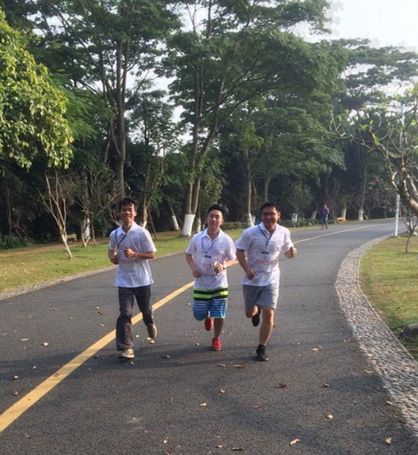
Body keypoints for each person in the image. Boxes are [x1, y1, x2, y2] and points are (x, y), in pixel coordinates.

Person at [235, 202, 297, 361]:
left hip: (271, 277)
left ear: (278, 215)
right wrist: (247, 269)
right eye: (265, 214)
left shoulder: (284, 232)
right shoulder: (250, 232)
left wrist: (291, 253)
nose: (269, 217)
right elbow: (239, 251)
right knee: (249, 313)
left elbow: (287, 253)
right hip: (252, 279)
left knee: (269, 314)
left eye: (272, 213)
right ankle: (256, 310)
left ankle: (261, 347)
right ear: (261, 216)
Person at [108, 197, 157, 360]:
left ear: (135, 213)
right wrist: (113, 258)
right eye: (124, 210)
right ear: (120, 213)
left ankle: (149, 322)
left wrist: (135, 254)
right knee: (125, 312)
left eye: (130, 209)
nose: (127, 212)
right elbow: (111, 251)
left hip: (142, 279)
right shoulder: (115, 234)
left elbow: (152, 254)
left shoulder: (142, 233)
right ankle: (126, 347)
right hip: (124, 280)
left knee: (145, 310)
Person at [185, 204, 236, 351]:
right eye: (211, 216)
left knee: (220, 313)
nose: (214, 219)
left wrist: (223, 266)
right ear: (206, 219)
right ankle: (208, 316)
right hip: (201, 282)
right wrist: (194, 268)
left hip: (219, 282)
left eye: (217, 217)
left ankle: (216, 338)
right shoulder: (197, 238)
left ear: (222, 221)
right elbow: (188, 254)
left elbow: (233, 258)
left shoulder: (226, 239)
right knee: (198, 314)